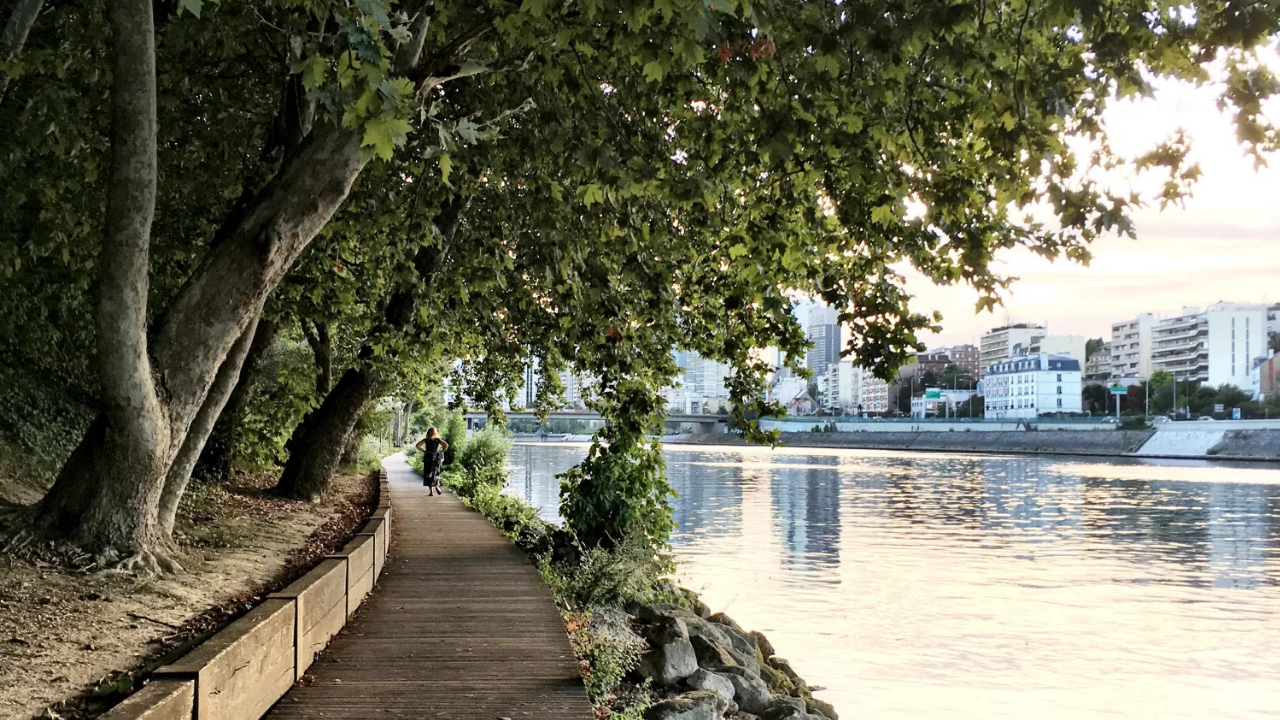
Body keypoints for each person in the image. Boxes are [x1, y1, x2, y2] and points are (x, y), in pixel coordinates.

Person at [414, 427, 448, 495]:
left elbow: (417, 445)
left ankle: (431, 492)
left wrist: (423, 451)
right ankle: (436, 485)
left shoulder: (426, 440)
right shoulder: (438, 440)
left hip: (428, 457)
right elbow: (446, 445)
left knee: (428, 473)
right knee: (435, 472)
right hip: (436, 457)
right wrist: (442, 451)